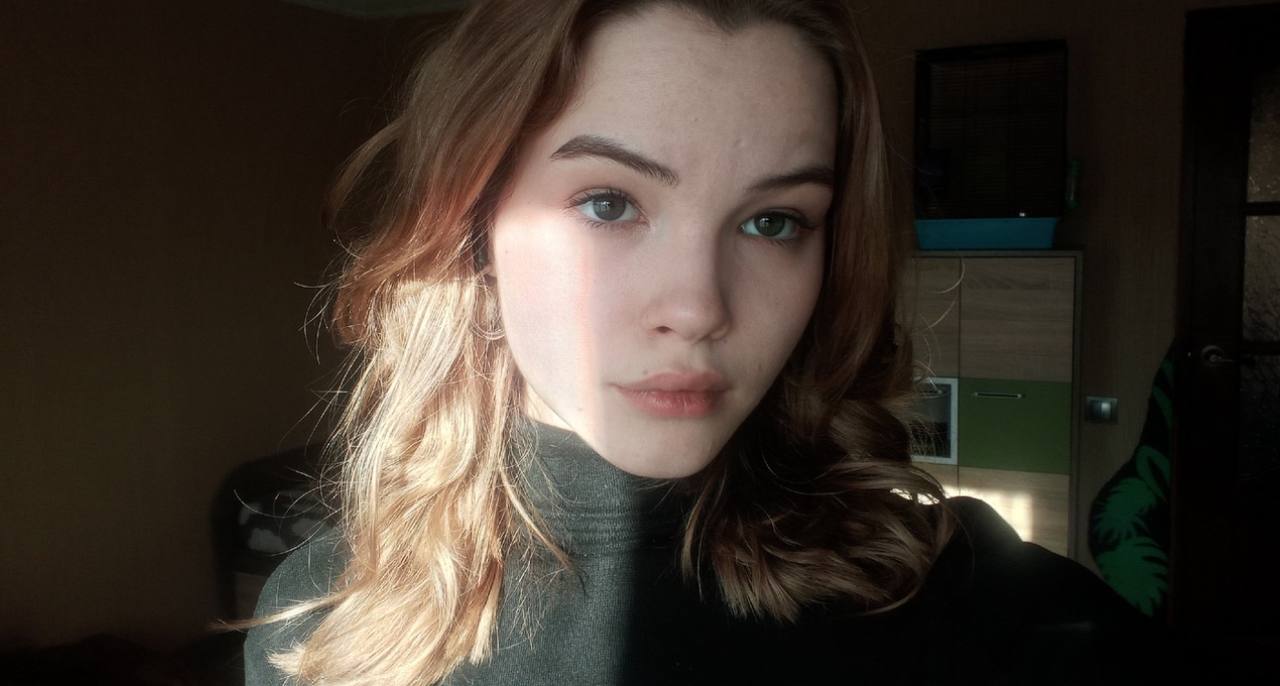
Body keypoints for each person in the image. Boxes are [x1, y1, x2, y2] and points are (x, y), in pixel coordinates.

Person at [236, 1, 1174, 684]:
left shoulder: (953, 597)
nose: (698, 307)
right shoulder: (321, 625)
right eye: (610, 203)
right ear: (469, 225)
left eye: (773, 222)